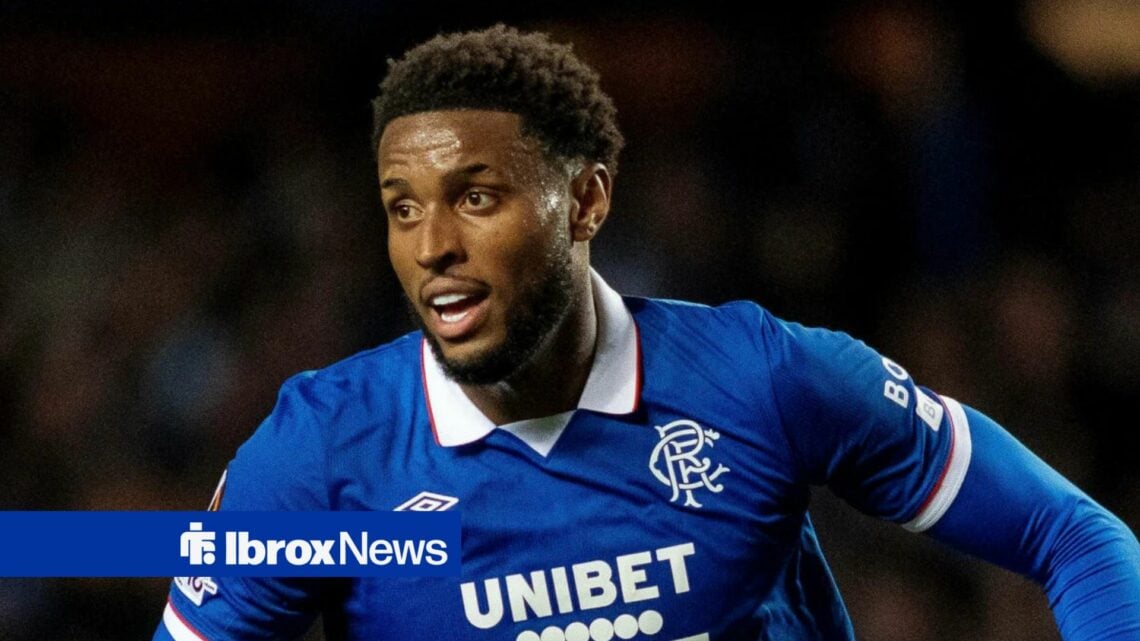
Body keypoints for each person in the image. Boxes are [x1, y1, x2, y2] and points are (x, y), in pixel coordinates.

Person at [154, 24, 1140, 641]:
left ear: (584, 200)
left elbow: (1076, 534)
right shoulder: (320, 452)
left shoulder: (765, 378)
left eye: (478, 196)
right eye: (402, 207)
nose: (434, 245)